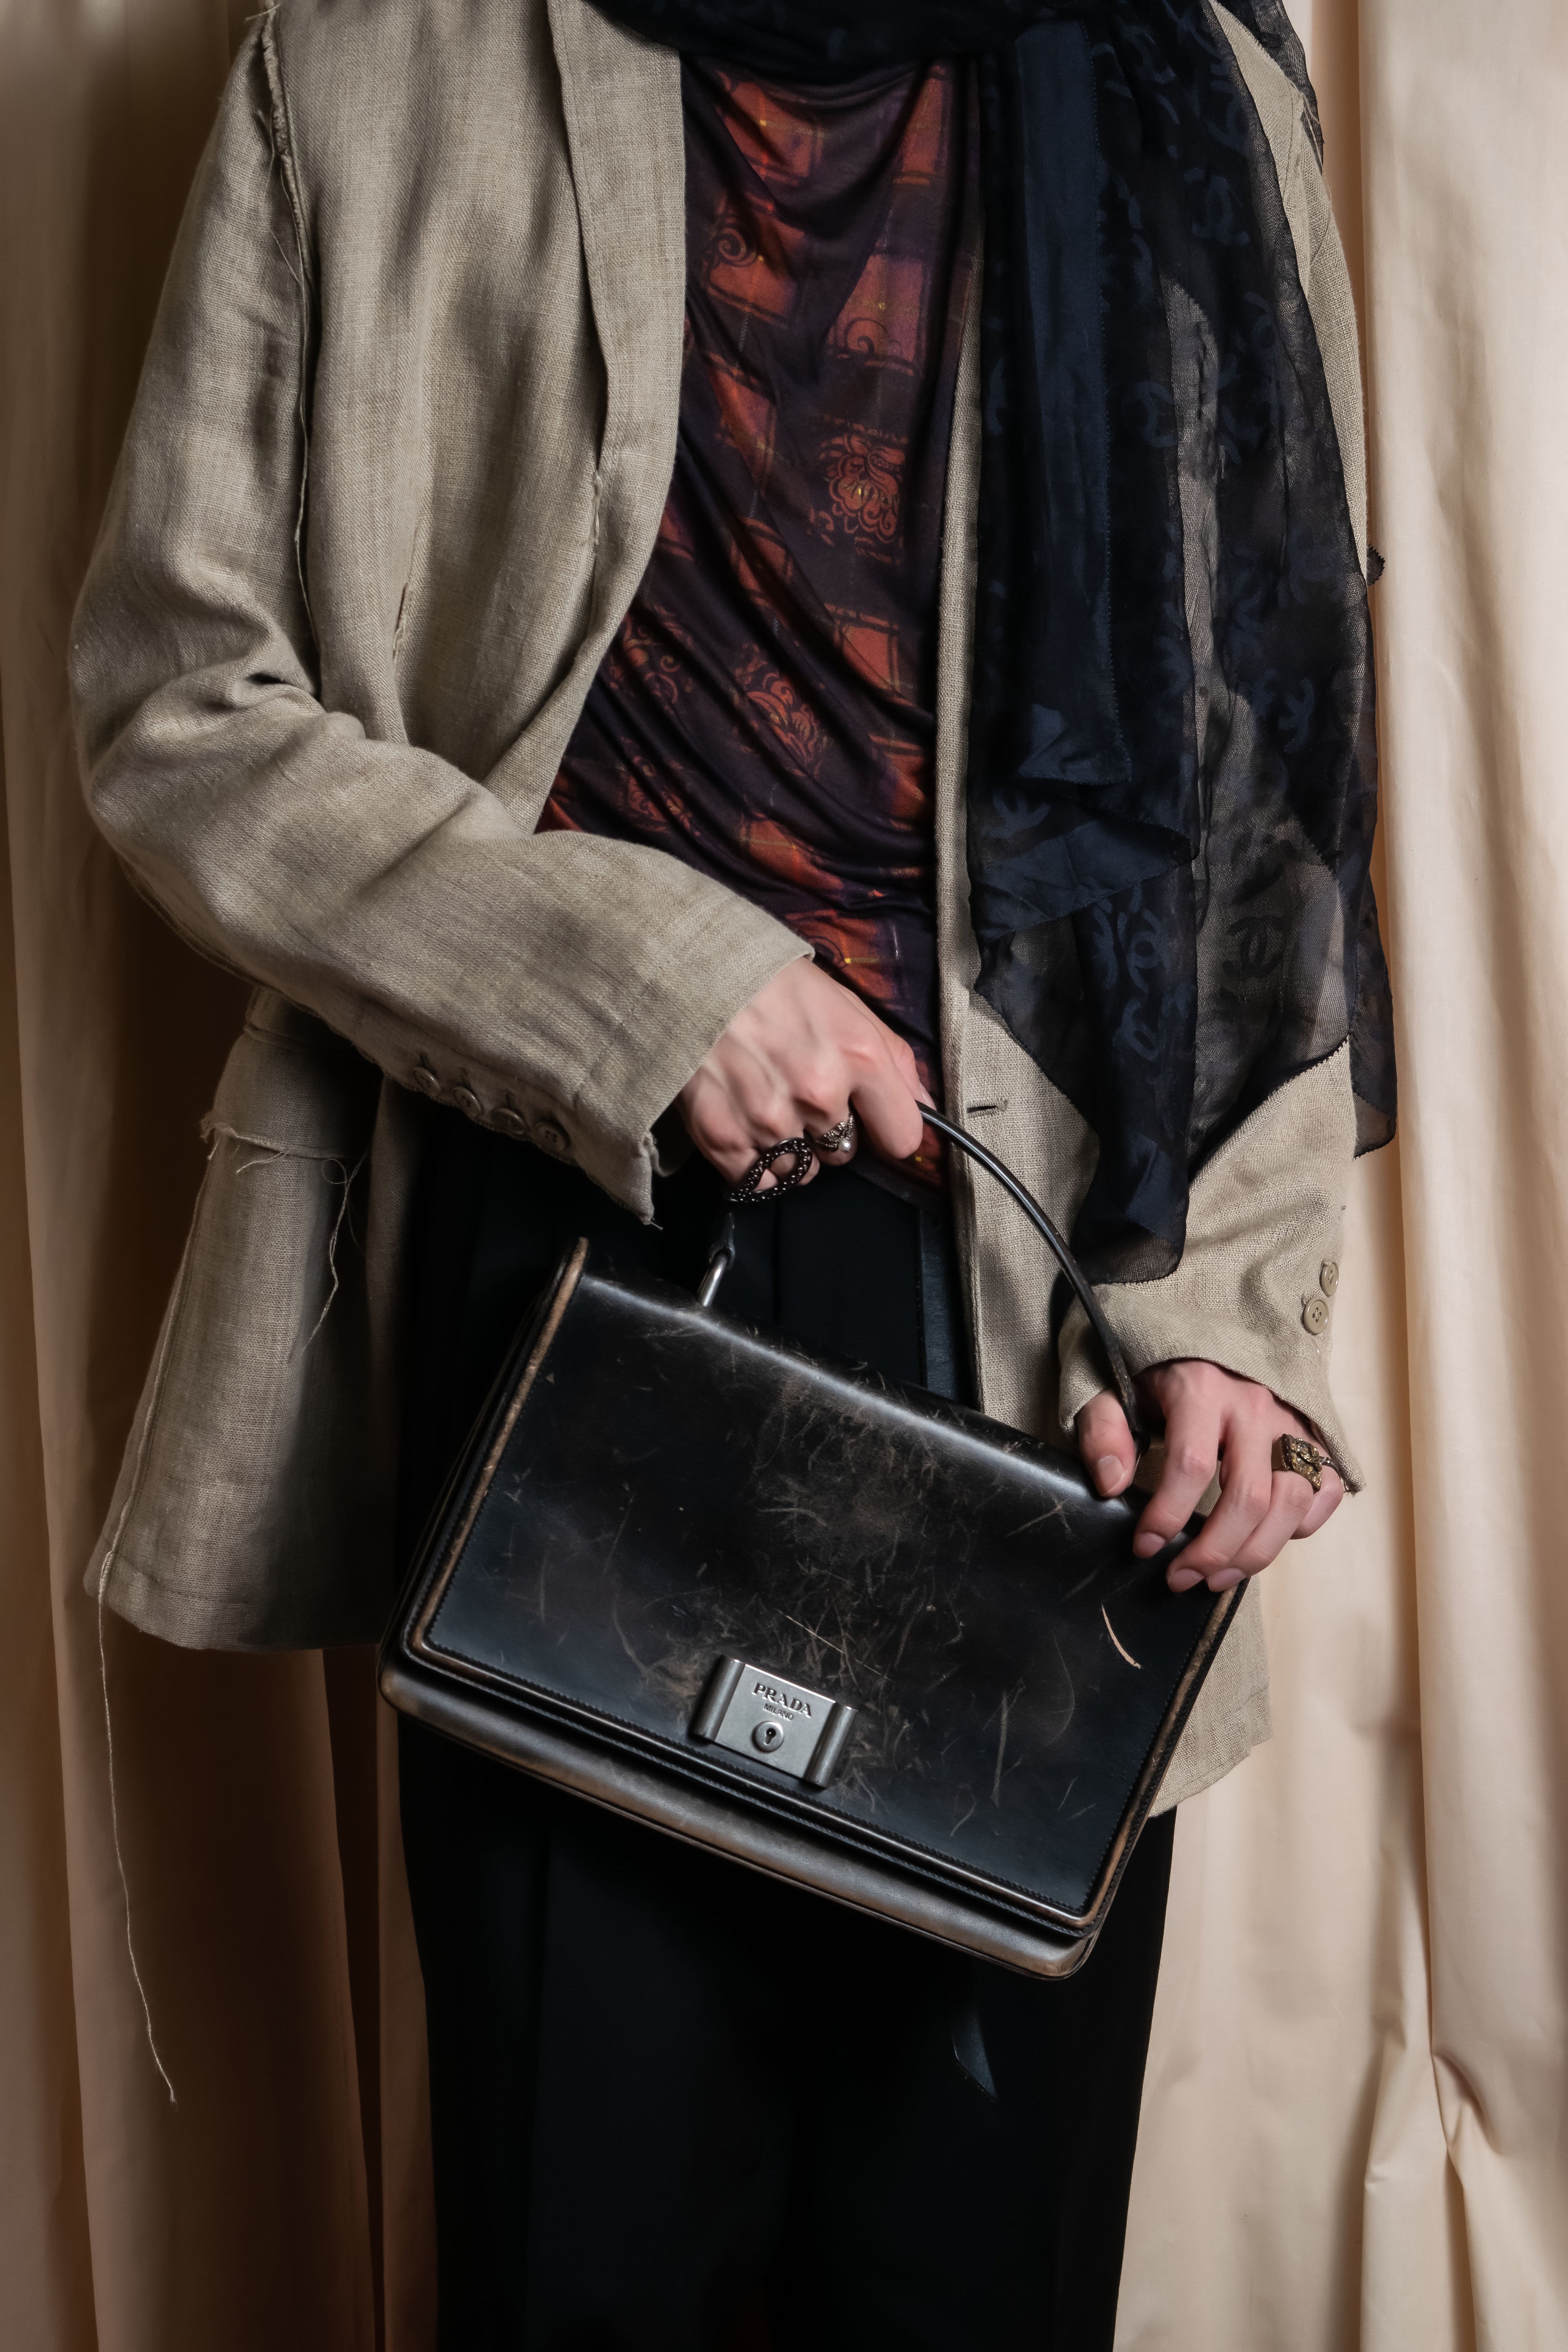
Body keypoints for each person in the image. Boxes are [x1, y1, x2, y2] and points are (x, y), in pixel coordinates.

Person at [71, 0, 1391, 2342]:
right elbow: (181, 704)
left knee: (977, 2256)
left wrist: (1232, 1323)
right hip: (559, 1257)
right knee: (587, 2247)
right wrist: (648, 985)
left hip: (1049, 1312)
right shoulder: (374, 61)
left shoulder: (1178, 70)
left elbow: (1262, 764)